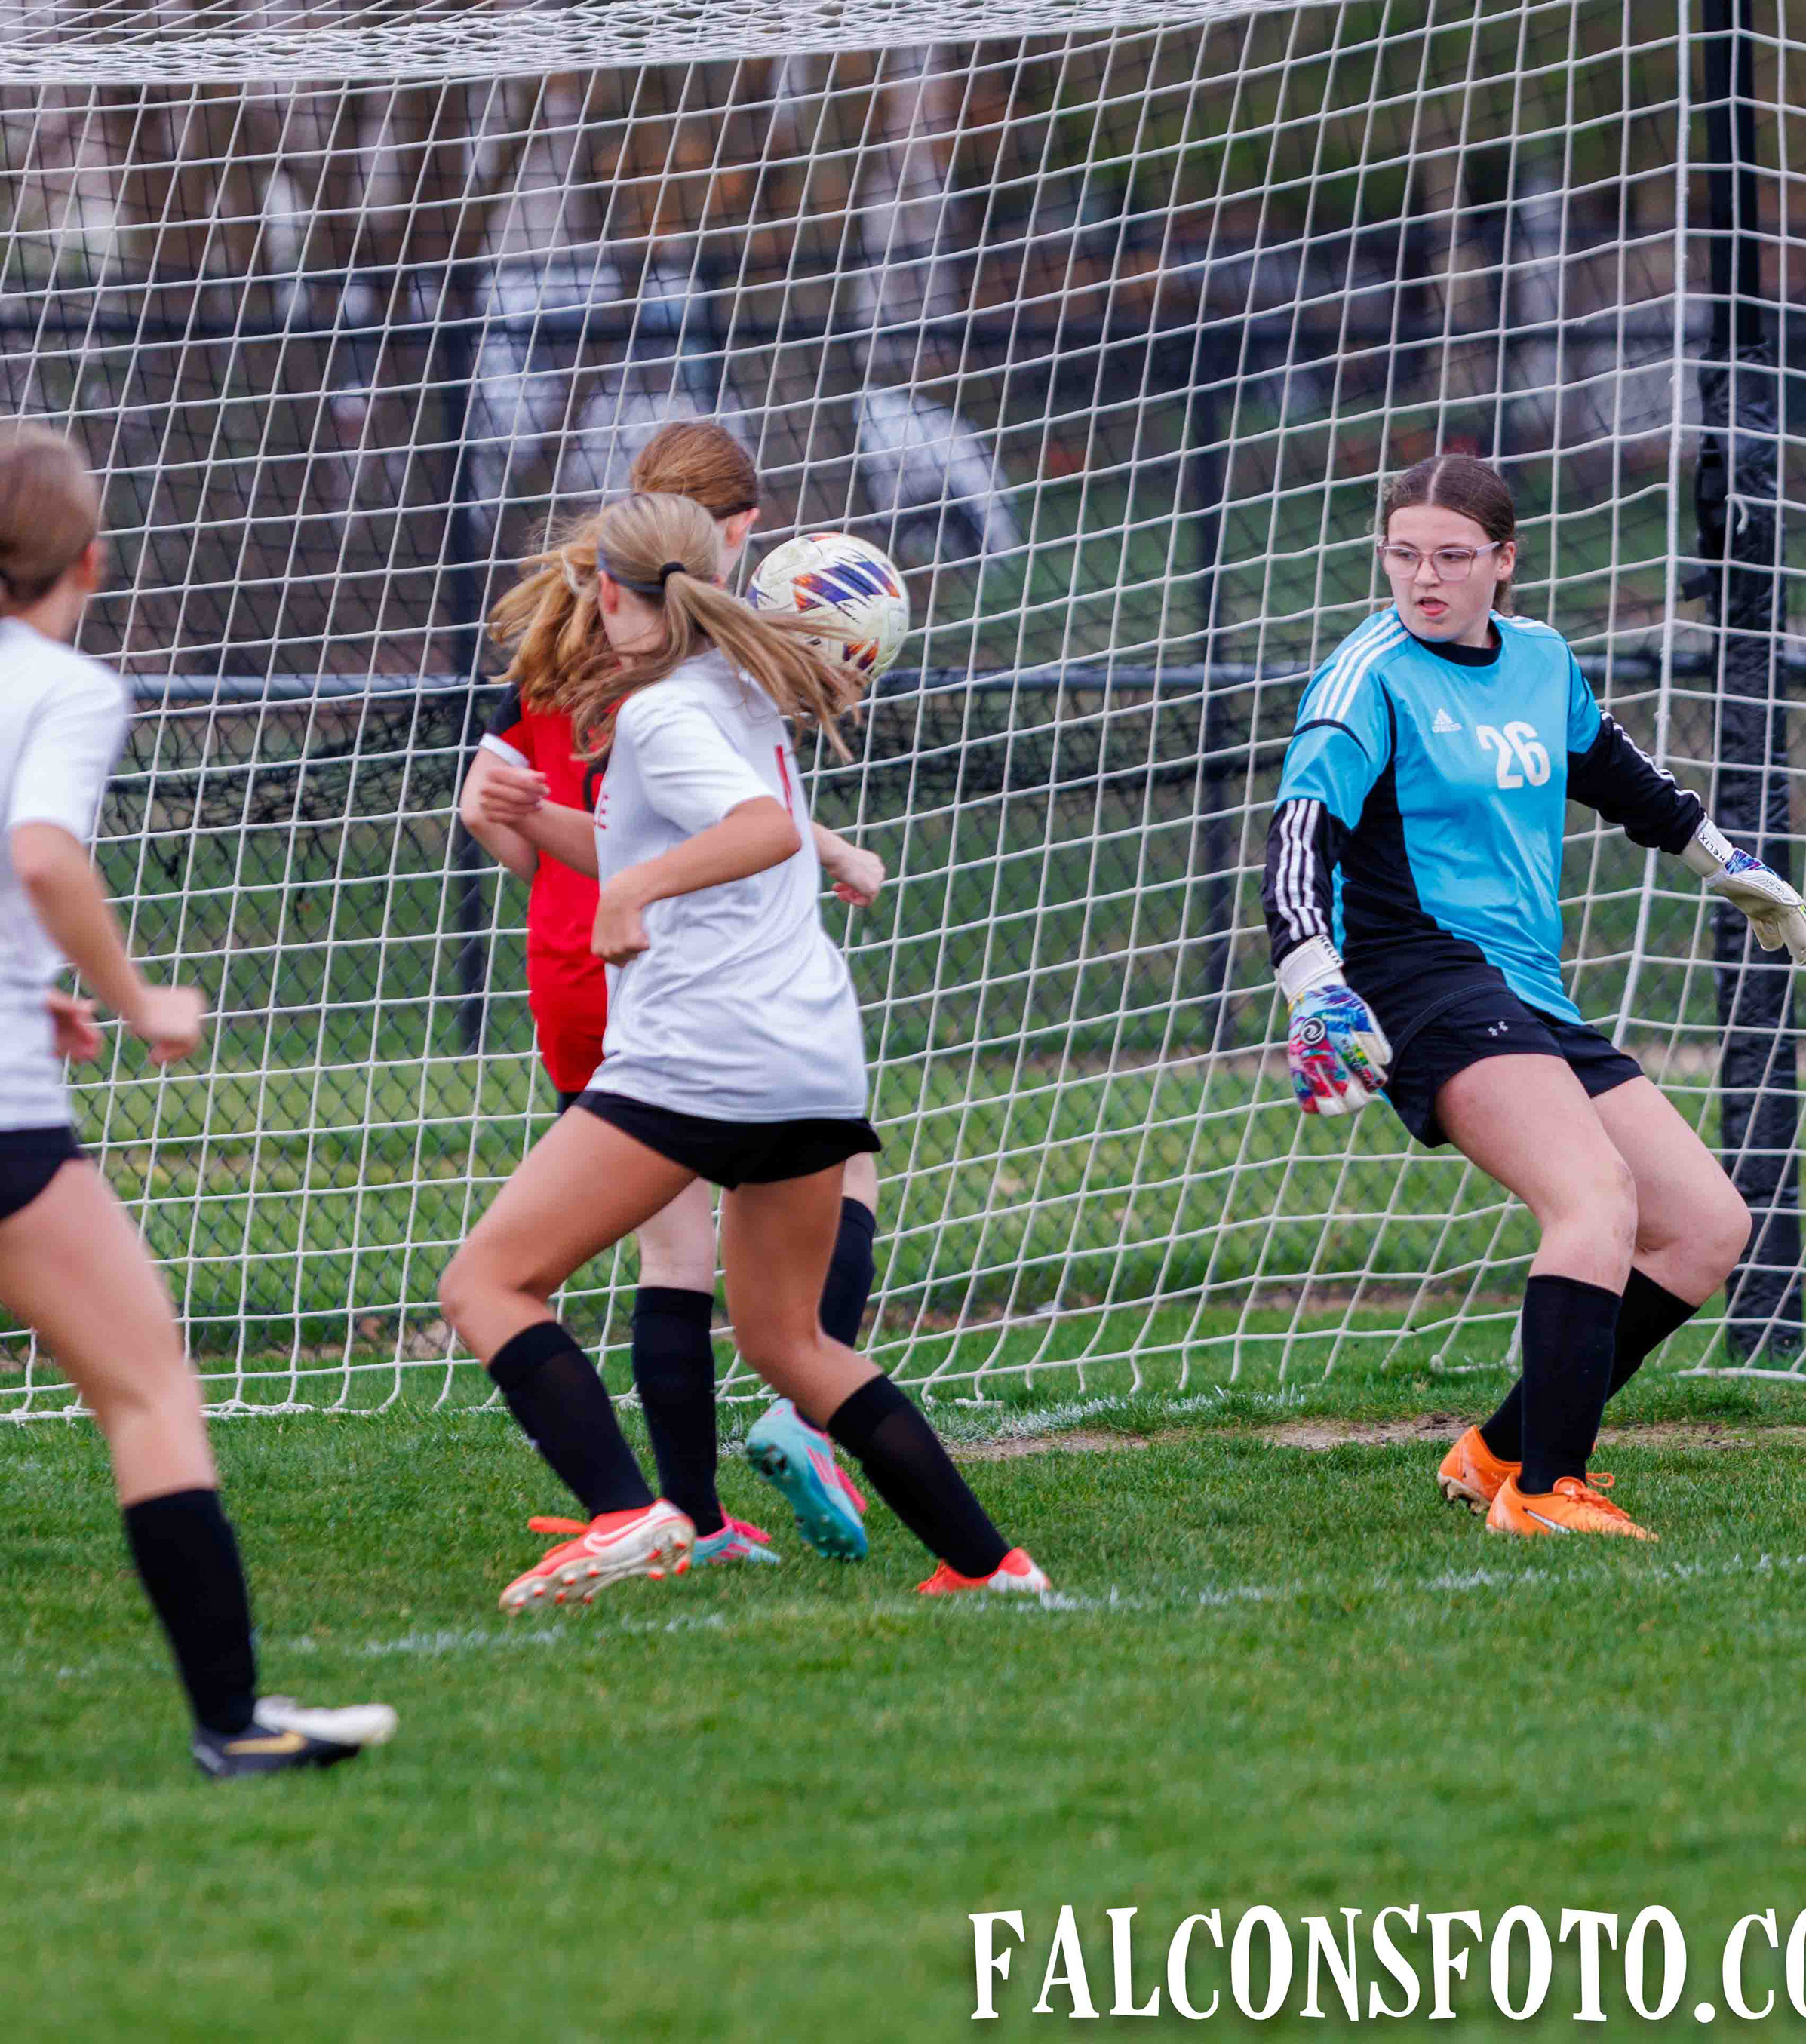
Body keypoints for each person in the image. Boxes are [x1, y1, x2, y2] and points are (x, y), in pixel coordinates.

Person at [440, 492, 1046, 1609]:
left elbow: (758, 834)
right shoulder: (735, 689)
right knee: (788, 1339)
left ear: (610, 594)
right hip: (806, 1056)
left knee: (486, 1282)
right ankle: (989, 1564)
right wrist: (526, 820)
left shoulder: (667, 713)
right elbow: (656, 838)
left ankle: (629, 1514)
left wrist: (633, 891)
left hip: (702, 1057)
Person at [1258, 454, 1806, 1540]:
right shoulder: (1365, 677)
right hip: (1417, 976)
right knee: (1594, 1197)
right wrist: (1314, 985)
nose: (1425, 578)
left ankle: (1499, 1451)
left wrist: (1728, 864)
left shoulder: (1541, 660)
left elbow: (1618, 774)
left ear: (1503, 560)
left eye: (1452, 556)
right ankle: (1548, 1490)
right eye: (1404, 554)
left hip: (1526, 988)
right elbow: (1297, 838)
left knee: (1705, 1228)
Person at [0, 421, 398, 1775]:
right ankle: (234, 1725)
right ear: (91, 559)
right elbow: (41, 854)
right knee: (151, 1392)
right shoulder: (67, 686)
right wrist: (132, 995)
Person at [460, 419, 888, 1567]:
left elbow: (485, 808)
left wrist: (574, 881)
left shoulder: (561, 629)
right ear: (733, 531)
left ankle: (691, 1514)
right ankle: (792, 1425)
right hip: (676, 974)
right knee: (839, 1166)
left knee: (675, 1252)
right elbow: (741, 816)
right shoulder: (694, 658)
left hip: (578, 963)